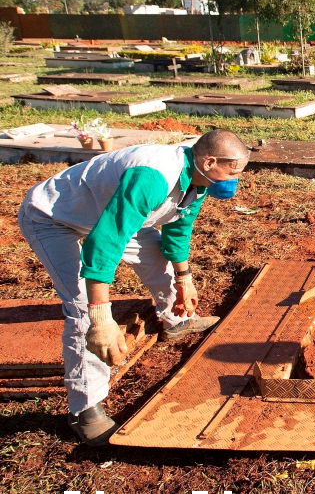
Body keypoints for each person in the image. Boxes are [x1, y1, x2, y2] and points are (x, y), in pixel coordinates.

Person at [17, 129, 250, 445]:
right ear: (210, 162)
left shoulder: (199, 175)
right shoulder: (153, 177)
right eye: (233, 171)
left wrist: (185, 280)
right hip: (54, 216)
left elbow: (178, 227)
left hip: (114, 215)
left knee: (158, 258)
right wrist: (101, 316)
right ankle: (85, 410)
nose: (236, 179)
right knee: (83, 307)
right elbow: (104, 242)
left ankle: (177, 321)